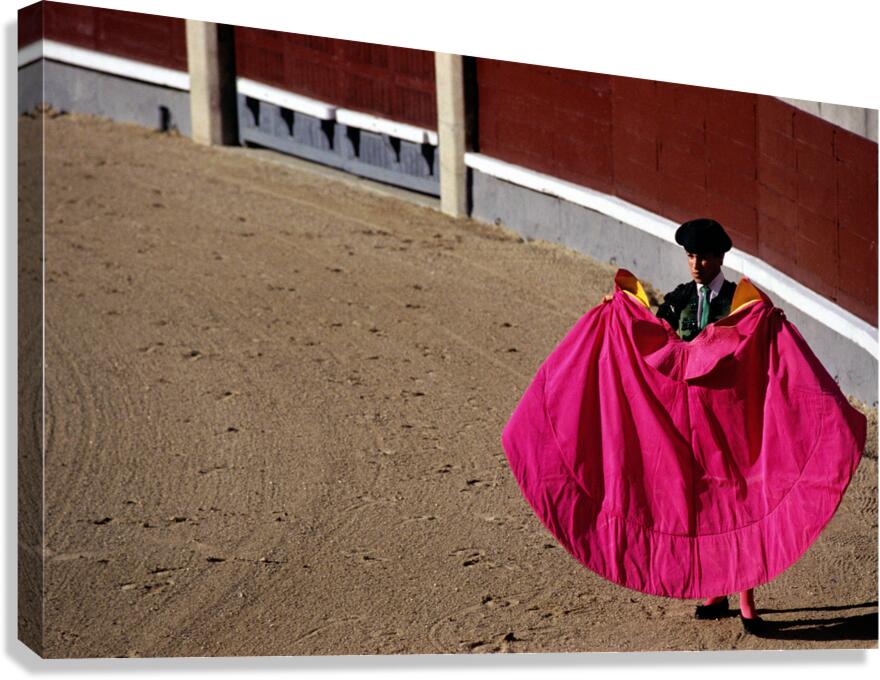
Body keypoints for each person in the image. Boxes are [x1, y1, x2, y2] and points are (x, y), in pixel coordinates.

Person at [602, 217, 763, 632]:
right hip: (687, 419)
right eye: (690, 256)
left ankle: (746, 596)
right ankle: (717, 589)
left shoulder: (740, 301)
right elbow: (650, 335)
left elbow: (756, 349)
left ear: (720, 257)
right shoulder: (678, 300)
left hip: (728, 417)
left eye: (703, 257)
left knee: (737, 499)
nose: (696, 264)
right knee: (703, 501)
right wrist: (618, 312)